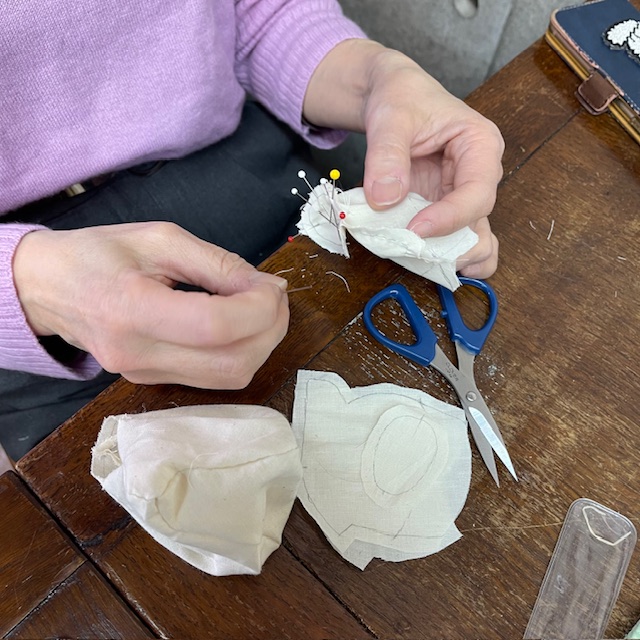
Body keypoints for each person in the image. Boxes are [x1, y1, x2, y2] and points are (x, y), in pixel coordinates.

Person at [0, 0, 503, 459]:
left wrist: (376, 79)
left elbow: (258, 13)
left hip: (243, 163)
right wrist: (30, 287)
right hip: (39, 303)